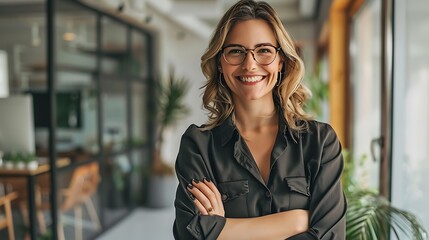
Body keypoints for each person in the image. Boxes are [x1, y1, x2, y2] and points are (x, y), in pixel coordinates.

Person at [173, 0, 347, 239]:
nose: (250, 64)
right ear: (220, 63)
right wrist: (296, 220)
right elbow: (189, 234)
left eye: (264, 50)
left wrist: (222, 230)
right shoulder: (198, 146)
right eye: (236, 51)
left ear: (281, 61)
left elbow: (331, 235)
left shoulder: (319, 142)